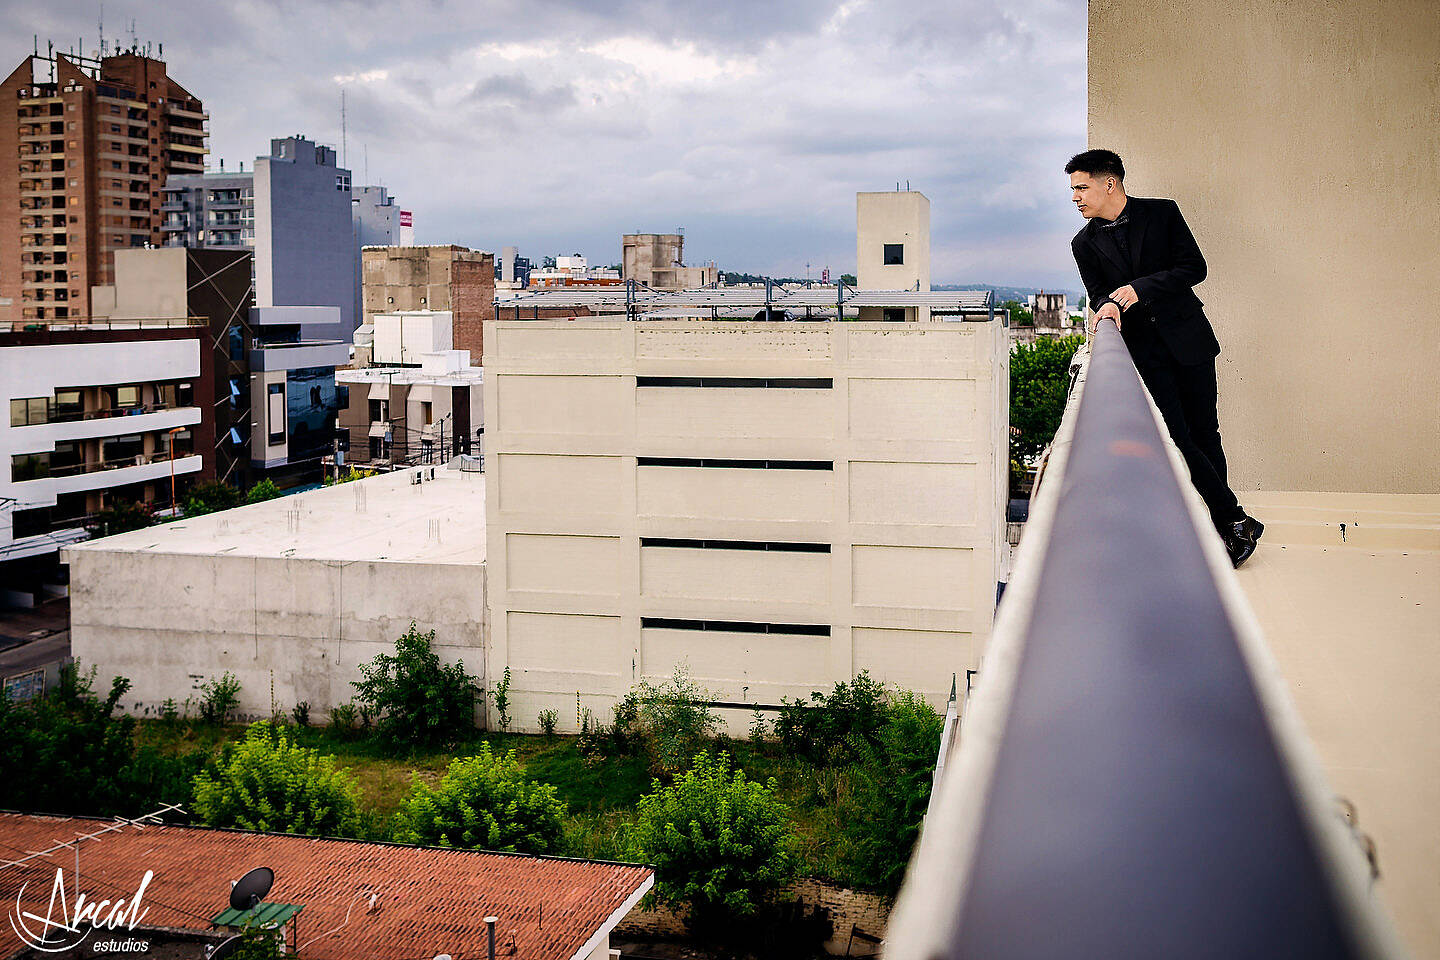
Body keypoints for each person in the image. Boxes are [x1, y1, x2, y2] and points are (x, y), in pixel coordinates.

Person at [1066, 149, 1263, 567]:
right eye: (1073, 190)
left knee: (1206, 433)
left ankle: (1222, 526)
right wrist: (1109, 306)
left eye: (1081, 187)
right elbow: (1098, 292)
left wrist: (1139, 289)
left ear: (1109, 183)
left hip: (1188, 337)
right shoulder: (1082, 243)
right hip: (1144, 351)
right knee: (1178, 435)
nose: (1075, 197)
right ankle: (1235, 520)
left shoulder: (1162, 214)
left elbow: (1194, 267)